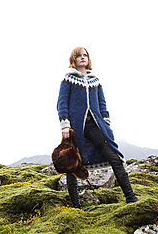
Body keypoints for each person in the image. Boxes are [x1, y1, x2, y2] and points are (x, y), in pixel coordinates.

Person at [57, 47, 138, 209]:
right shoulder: (68, 79)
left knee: (114, 157)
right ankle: (76, 206)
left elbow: (102, 103)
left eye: (85, 55)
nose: (82, 58)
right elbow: (62, 102)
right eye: (78, 56)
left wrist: (105, 120)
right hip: (75, 128)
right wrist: (65, 125)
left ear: (88, 59)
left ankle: (131, 197)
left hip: (95, 125)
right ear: (73, 59)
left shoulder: (95, 80)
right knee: (72, 163)